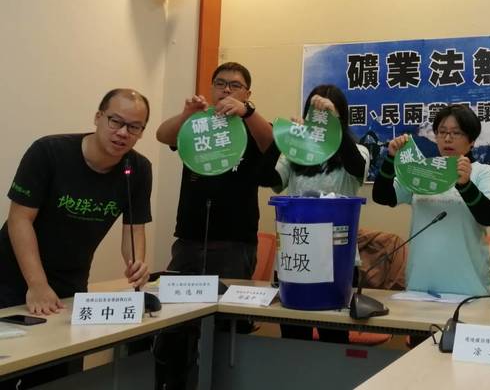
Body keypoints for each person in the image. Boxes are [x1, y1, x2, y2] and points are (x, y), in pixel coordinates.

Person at [0, 89, 151, 388]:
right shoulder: (49, 152)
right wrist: (37, 284)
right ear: (98, 117)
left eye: (134, 127)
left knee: (60, 373)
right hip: (14, 277)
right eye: (115, 121)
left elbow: (134, 227)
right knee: (11, 366)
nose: (123, 133)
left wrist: (137, 264)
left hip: (71, 282)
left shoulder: (138, 168)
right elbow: (20, 219)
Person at [153, 62, 273, 390]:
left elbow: (271, 142)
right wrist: (186, 114)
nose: (226, 89)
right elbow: (162, 134)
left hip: (235, 244)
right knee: (176, 324)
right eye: (220, 83)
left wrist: (248, 112)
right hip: (189, 241)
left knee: (227, 327)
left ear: (248, 93)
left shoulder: (252, 125)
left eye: (235, 85)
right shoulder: (199, 123)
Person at [261, 84, 370, 343]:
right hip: (295, 256)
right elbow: (267, 179)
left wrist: (334, 124)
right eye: (316, 113)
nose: (321, 119)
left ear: (341, 117)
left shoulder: (357, 151)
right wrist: (281, 139)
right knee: (293, 338)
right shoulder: (295, 153)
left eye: (329, 114)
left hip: (337, 260)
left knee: (334, 339)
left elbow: (357, 167)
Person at [372, 104, 490, 297]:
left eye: (456, 133)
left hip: (470, 289)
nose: (447, 138)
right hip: (420, 286)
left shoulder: (483, 173)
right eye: (442, 132)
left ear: (472, 141)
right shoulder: (423, 171)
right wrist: (391, 159)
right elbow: (382, 196)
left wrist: (466, 185)